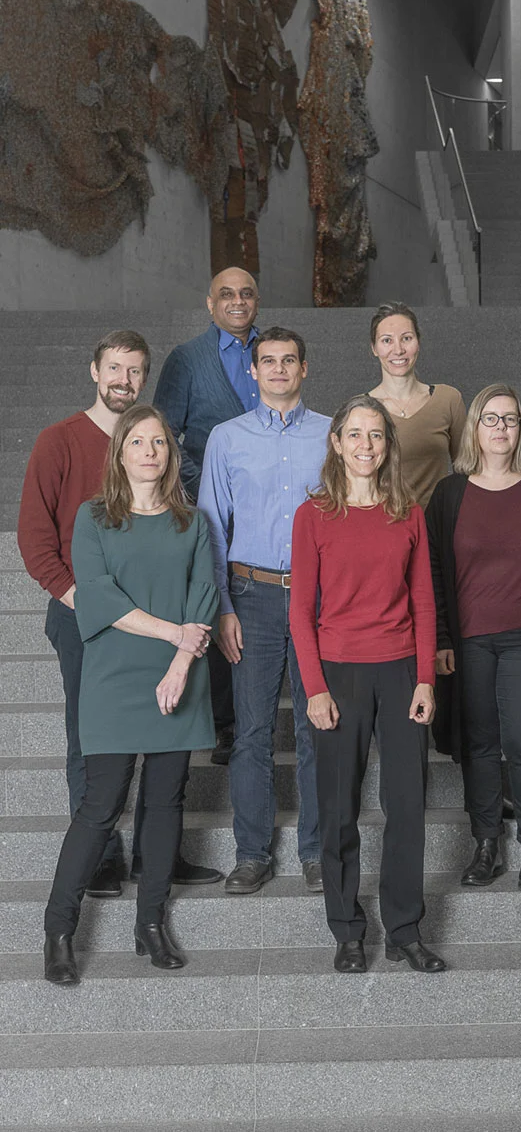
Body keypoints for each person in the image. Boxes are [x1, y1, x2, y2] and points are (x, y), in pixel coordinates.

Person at [18, 332, 219, 898]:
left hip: (158, 619)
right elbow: (35, 541)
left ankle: (156, 855)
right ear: (94, 371)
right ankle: (101, 857)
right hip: (82, 613)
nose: (123, 380)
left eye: (134, 371)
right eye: (114, 368)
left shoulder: (151, 444)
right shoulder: (57, 441)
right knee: (91, 739)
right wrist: (94, 604)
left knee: (165, 744)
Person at [43, 405, 220, 985]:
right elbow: (96, 594)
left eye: (160, 443)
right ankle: (59, 931)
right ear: (120, 453)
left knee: (168, 801)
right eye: (138, 441)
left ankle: (150, 924)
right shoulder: (94, 518)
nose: (150, 451)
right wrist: (173, 635)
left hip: (179, 675)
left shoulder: (191, 522)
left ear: (171, 454)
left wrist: (179, 663)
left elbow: (203, 597)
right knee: (100, 807)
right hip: (114, 676)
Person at [290, 394, 445, 975]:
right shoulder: (314, 515)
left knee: (406, 806)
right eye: (353, 434)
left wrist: (425, 678)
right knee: (338, 809)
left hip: (400, 669)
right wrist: (314, 688)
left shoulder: (407, 511)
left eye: (375, 435)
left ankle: (405, 929)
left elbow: (425, 603)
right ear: (336, 442)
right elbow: (300, 613)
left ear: (388, 445)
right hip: (339, 673)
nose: (365, 446)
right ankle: (348, 929)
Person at [426, 384, 521, 891]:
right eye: (490, 419)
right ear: (475, 427)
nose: (501, 429)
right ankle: (486, 844)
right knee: (480, 744)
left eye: (510, 420)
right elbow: (433, 575)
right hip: (469, 640)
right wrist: (443, 638)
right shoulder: (449, 494)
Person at [198, 327, 328, 895]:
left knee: (315, 726)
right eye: (267, 361)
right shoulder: (227, 439)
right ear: (252, 371)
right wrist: (223, 606)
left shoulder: (333, 435)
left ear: (304, 367)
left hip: (318, 599)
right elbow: (210, 528)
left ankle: (319, 853)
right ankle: (252, 853)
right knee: (250, 733)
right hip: (250, 597)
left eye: (288, 360)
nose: (278, 369)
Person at [154, 267, 261, 765]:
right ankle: (226, 723)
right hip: (209, 509)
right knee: (216, 603)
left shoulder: (274, 352)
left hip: (267, 509)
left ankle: (258, 711)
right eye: (226, 294)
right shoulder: (187, 360)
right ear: (209, 302)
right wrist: (200, 483)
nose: (237, 301)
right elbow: (163, 434)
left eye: (246, 293)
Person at [367, 301, 466, 509]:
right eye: (387, 340)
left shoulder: (448, 399)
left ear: (418, 342)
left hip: (438, 529)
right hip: (384, 529)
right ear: (374, 348)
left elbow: (467, 470)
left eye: (406, 338)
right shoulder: (361, 409)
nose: (398, 349)